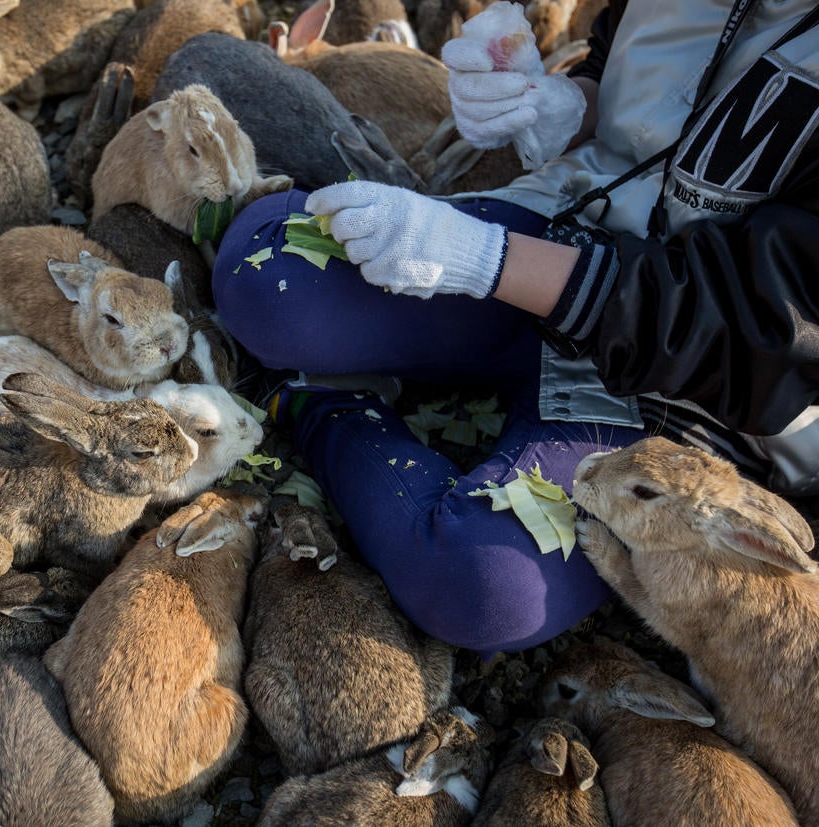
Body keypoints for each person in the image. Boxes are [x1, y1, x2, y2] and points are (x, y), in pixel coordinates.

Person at [211, 0, 819, 656]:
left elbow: (764, 330)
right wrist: (561, 104)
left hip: (694, 391)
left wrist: (483, 258)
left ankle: (320, 404)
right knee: (268, 272)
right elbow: (622, 56)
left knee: (489, 584)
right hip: (572, 222)